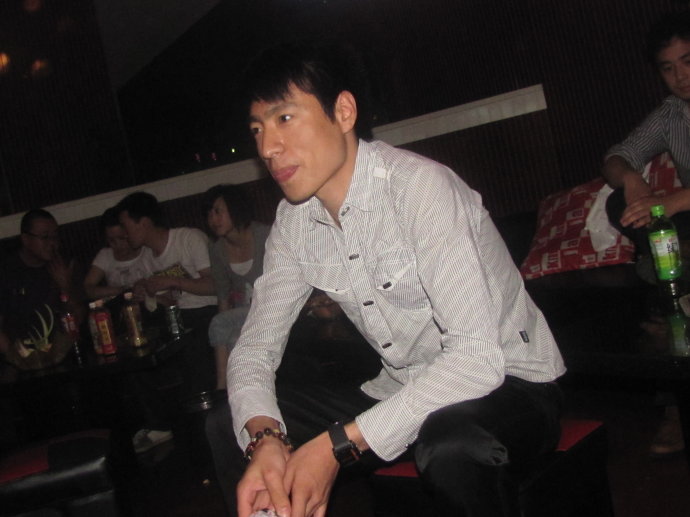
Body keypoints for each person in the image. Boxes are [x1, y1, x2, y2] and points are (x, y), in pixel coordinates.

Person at [206, 41, 565, 517]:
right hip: (401, 387)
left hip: (509, 385)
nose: (268, 148)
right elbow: (254, 350)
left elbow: (476, 361)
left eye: (284, 118)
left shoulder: (420, 189)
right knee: (229, 425)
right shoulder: (294, 223)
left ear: (344, 112)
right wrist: (265, 437)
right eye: (257, 129)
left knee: (452, 444)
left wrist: (337, 445)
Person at [602, 11, 690, 459]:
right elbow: (616, 157)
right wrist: (632, 178)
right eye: (668, 68)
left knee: (665, 278)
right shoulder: (671, 114)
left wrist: (674, 201)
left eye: (688, 61)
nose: (681, 76)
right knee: (618, 202)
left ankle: (666, 273)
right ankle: (672, 271)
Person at [114, 191, 218, 454]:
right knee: (136, 352)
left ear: (143, 222)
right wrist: (149, 295)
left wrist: (171, 280)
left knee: (191, 345)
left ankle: (206, 424)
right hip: (175, 317)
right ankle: (158, 424)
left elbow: (216, 285)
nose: (124, 235)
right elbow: (167, 299)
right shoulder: (146, 257)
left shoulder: (189, 238)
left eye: (126, 226)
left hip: (207, 311)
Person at [204, 184, 271, 390]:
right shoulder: (217, 249)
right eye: (209, 214)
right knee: (233, 338)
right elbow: (223, 295)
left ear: (236, 209)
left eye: (218, 212)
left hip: (271, 305)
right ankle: (239, 393)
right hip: (244, 311)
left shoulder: (265, 235)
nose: (213, 219)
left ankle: (221, 388)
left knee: (218, 323)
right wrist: (229, 322)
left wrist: (225, 321)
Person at [0, 208, 83, 357]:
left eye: (55, 236)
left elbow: (80, 318)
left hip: (63, 353)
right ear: (26, 239)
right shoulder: (7, 271)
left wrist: (66, 286)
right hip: (21, 356)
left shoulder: (63, 265)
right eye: (45, 237)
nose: (52, 243)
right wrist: (17, 360)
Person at [83, 207, 148, 300]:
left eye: (122, 238)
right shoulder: (105, 255)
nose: (118, 245)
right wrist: (122, 291)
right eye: (111, 240)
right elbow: (88, 288)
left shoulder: (146, 250)